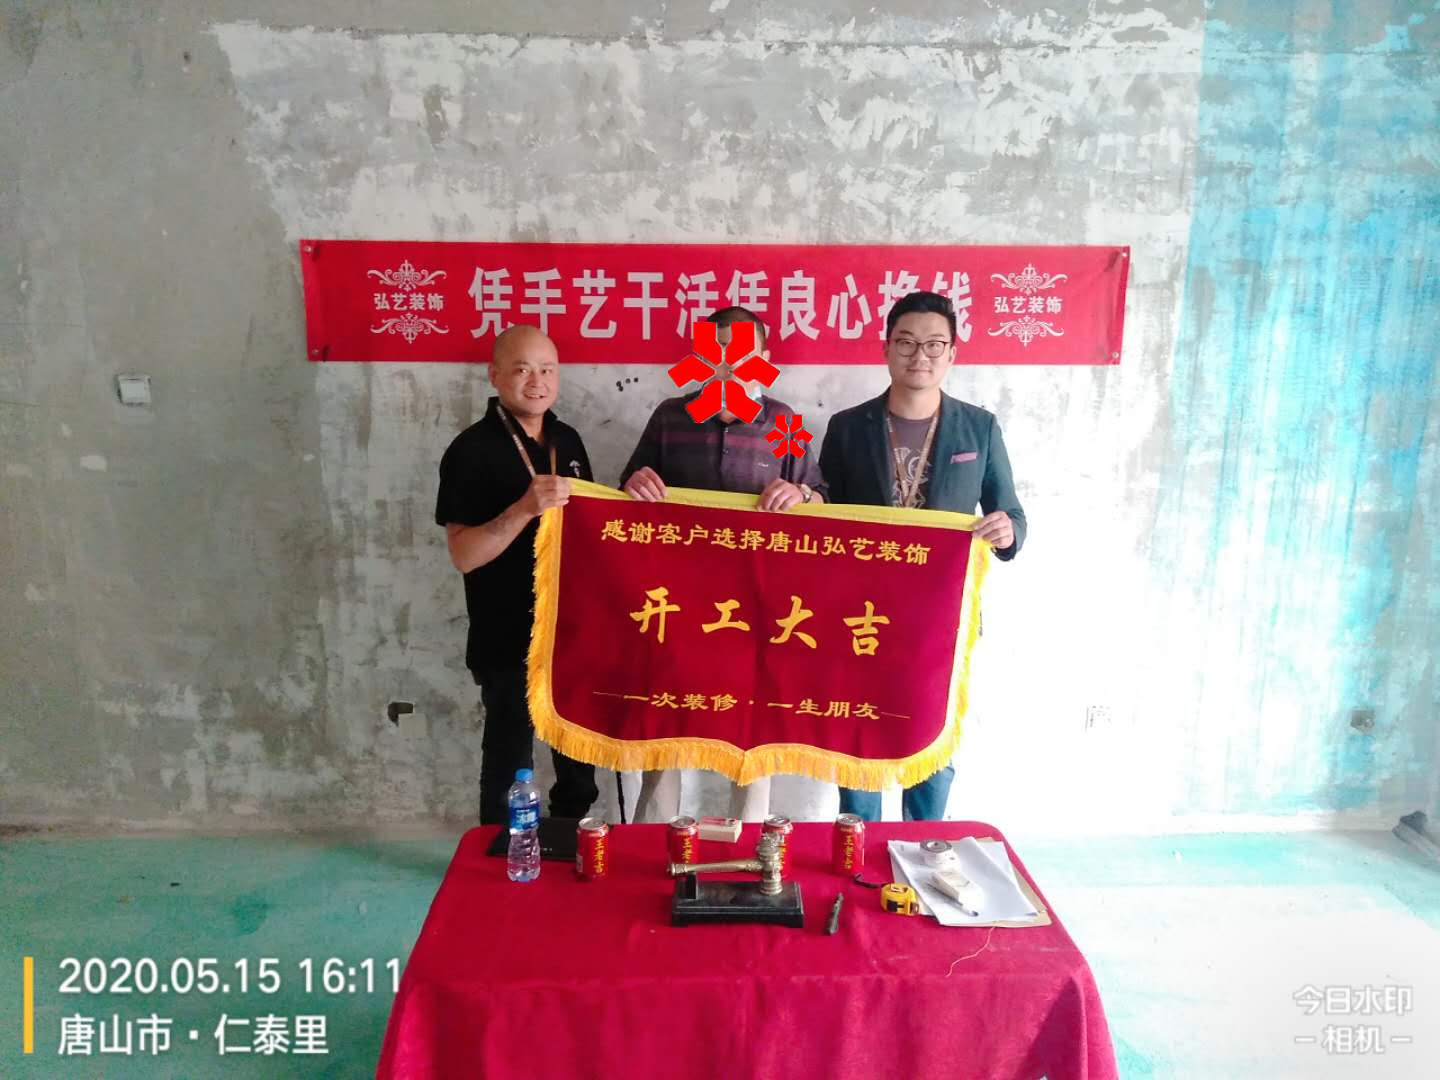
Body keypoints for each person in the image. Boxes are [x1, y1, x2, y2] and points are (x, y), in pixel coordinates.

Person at [819, 290, 1026, 822]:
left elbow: (1011, 513)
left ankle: (923, 845)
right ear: (886, 348)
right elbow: (824, 510)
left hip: (942, 615)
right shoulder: (847, 426)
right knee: (859, 736)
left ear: (952, 353)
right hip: (861, 614)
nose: (920, 356)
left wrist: (1007, 530)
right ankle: (858, 845)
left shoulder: (978, 427)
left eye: (935, 344)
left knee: (933, 739)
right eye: (907, 343)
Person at [621, 306, 824, 823]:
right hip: (676, 606)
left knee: (752, 734)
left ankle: (754, 846)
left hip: (759, 608)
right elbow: (627, 492)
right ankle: (654, 843)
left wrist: (802, 494)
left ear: (765, 357)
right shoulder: (671, 417)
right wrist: (635, 485)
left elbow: (823, 498)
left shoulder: (782, 421)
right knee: (666, 728)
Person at [435, 324, 599, 825]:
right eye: (522, 369)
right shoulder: (470, 450)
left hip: (569, 631)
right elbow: (464, 555)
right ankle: (500, 853)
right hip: (506, 633)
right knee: (509, 757)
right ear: (495, 375)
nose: (537, 381)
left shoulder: (568, 439)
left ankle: (572, 838)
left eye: (547, 369)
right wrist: (524, 508)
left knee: (578, 756)